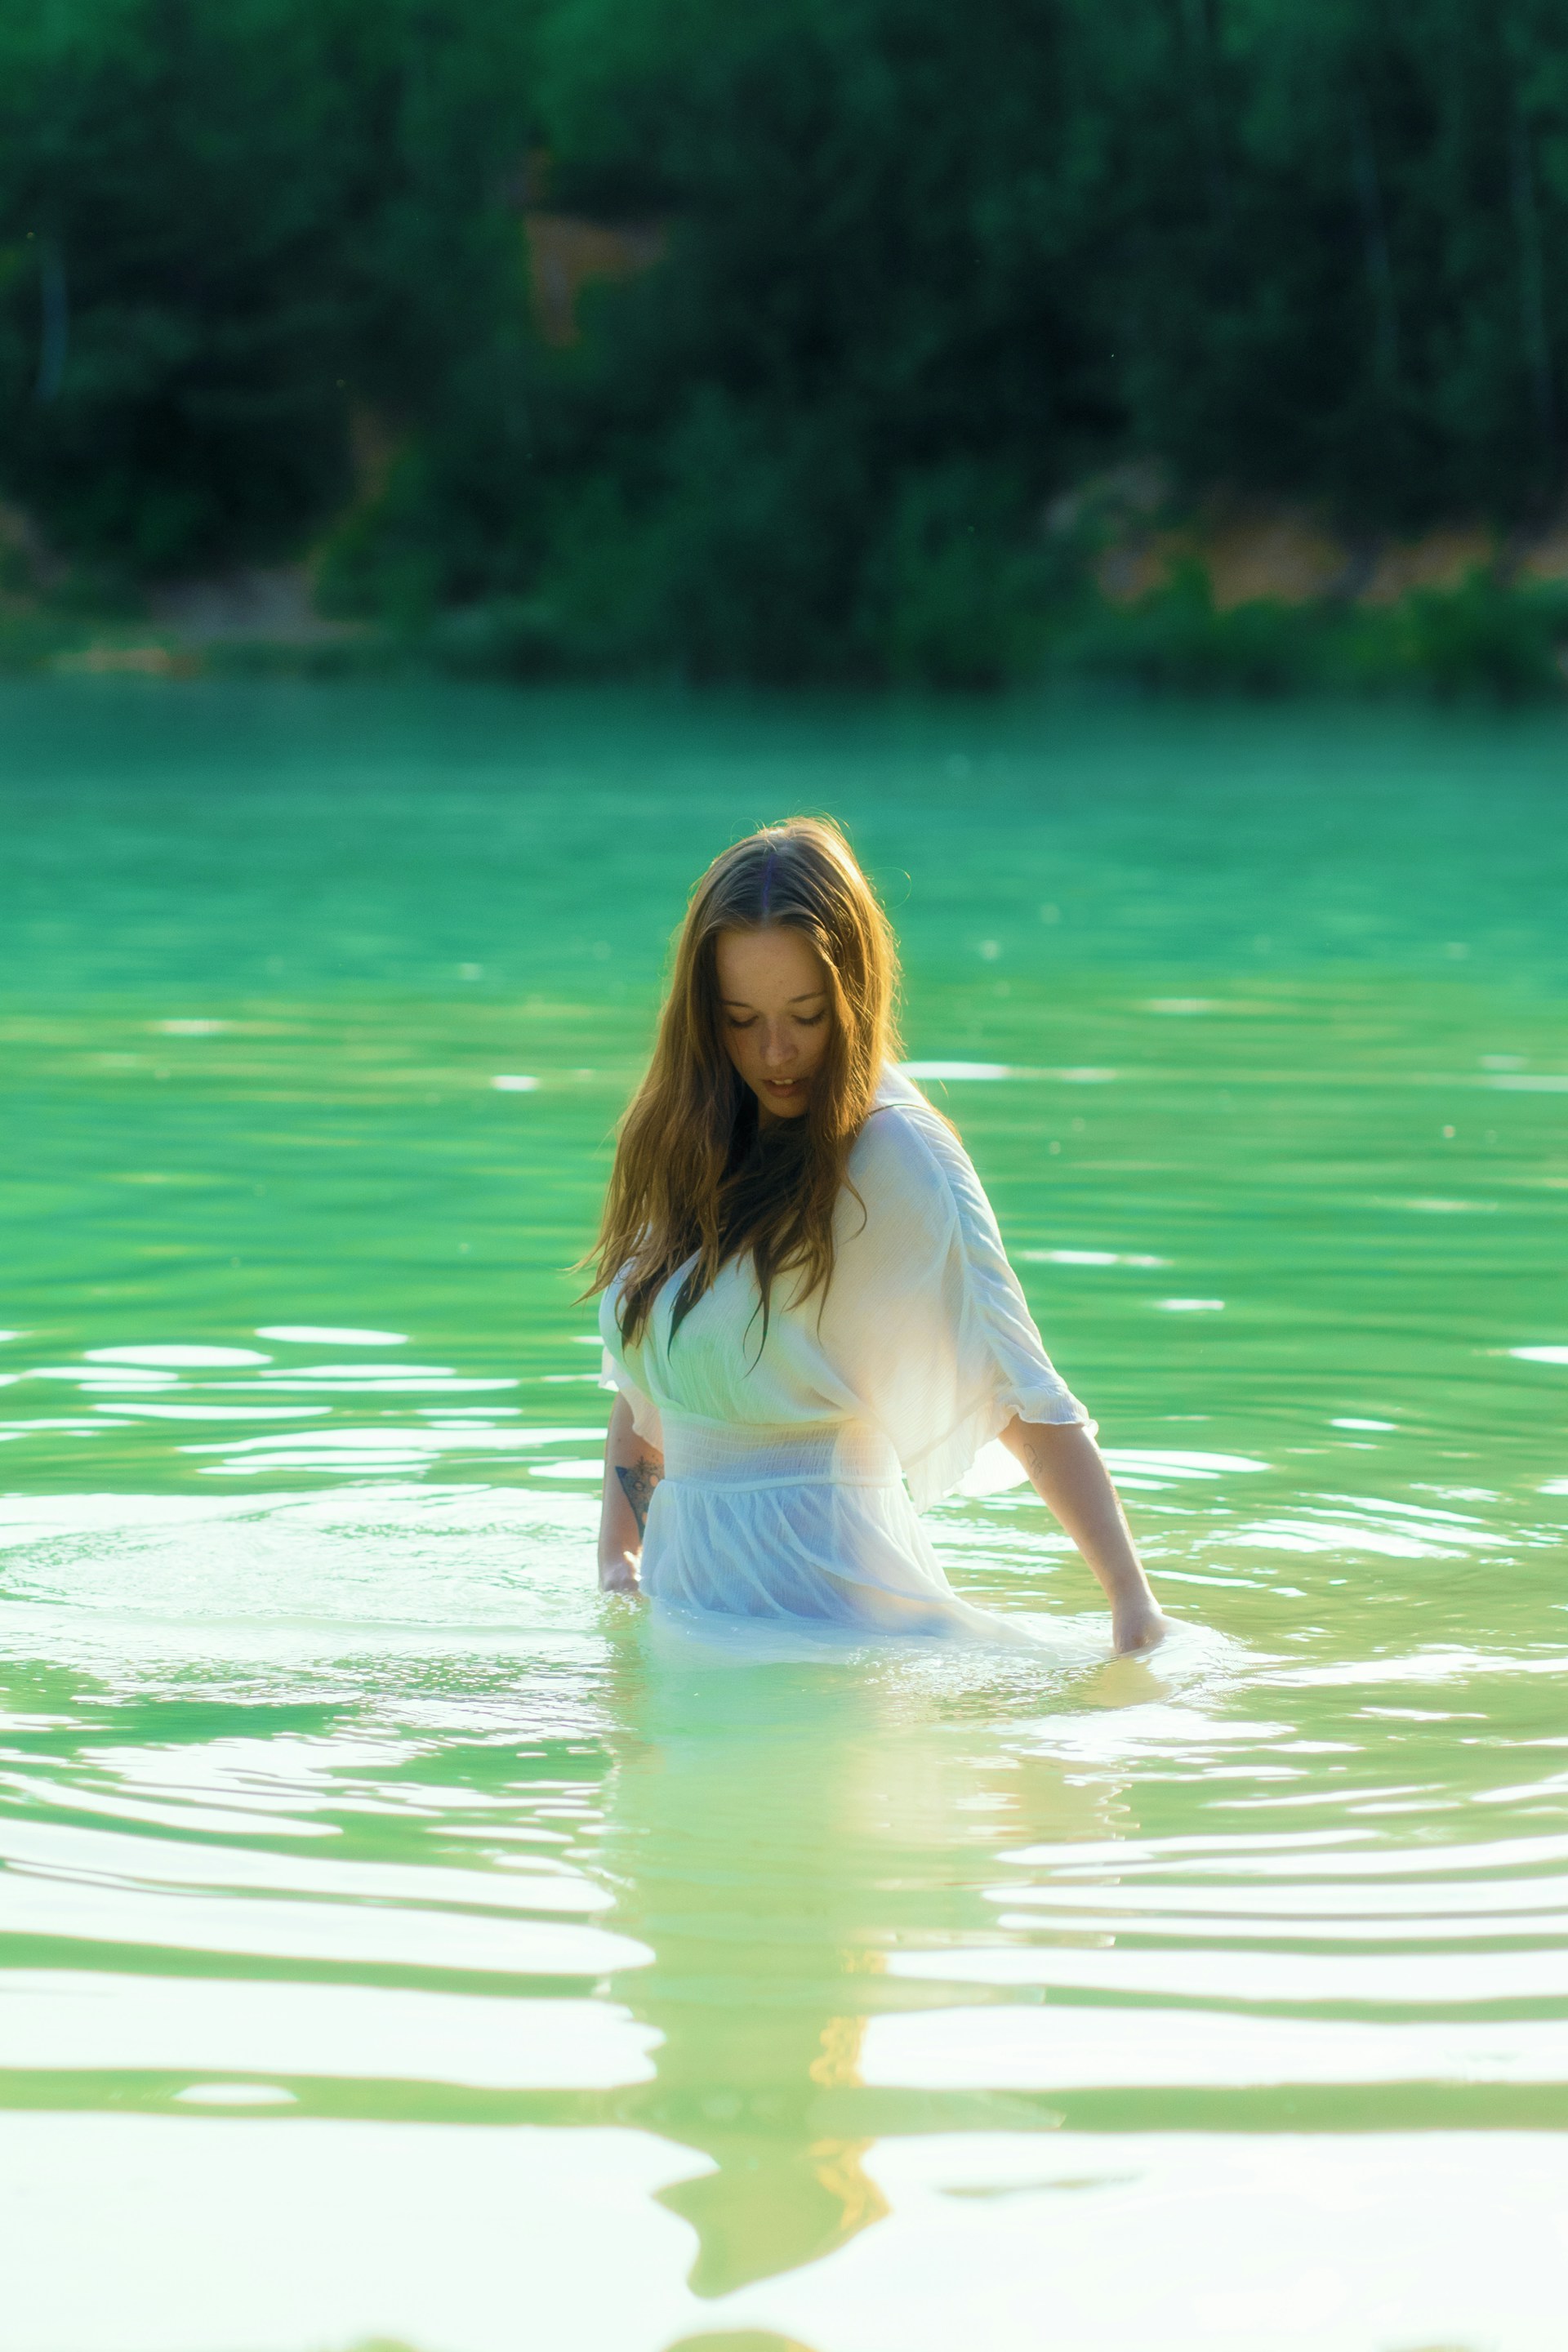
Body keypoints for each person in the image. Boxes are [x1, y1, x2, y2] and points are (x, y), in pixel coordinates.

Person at [590, 817, 1166, 1655]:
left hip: (839, 1631)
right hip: (688, 1628)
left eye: (807, 1015)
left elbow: (1021, 1388)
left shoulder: (896, 1153)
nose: (776, 1051)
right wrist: (617, 1569)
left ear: (853, 999)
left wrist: (1131, 1607)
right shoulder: (688, 1137)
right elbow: (651, 1392)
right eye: (741, 1019)